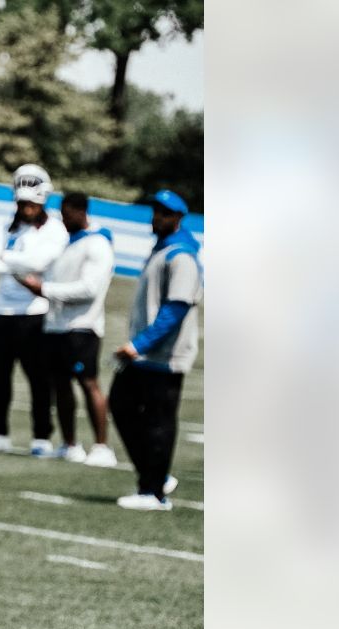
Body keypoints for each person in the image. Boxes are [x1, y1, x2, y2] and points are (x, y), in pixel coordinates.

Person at [109, 190, 203, 510]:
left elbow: (175, 310)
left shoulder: (182, 256)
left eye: (164, 213)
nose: (156, 218)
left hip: (163, 357)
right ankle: (155, 477)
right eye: (155, 211)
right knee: (121, 406)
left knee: (159, 422)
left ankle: (154, 493)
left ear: (177, 218)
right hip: (146, 354)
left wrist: (139, 345)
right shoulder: (162, 251)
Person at [0, 164, 68, 458]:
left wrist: (6, 257)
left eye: (32, 203)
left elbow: (41, 261)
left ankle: (41, 437)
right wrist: (20, 260)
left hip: (36, 312)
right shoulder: (3, 227)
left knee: (39, 378)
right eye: (22, 203)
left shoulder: (55, 228)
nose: (26, 208)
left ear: (43, 200)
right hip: (2, 311)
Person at [16, 192, 119, 467]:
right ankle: (70, 443)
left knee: (88, 383)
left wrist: (44, 289)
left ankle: (101, 446)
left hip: (82, 326)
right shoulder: (66, 243)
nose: (63, 218)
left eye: (67, 212)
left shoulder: (97, 244)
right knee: (60, 385)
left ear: (82, 211)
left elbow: (89, 289)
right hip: (55, 326)